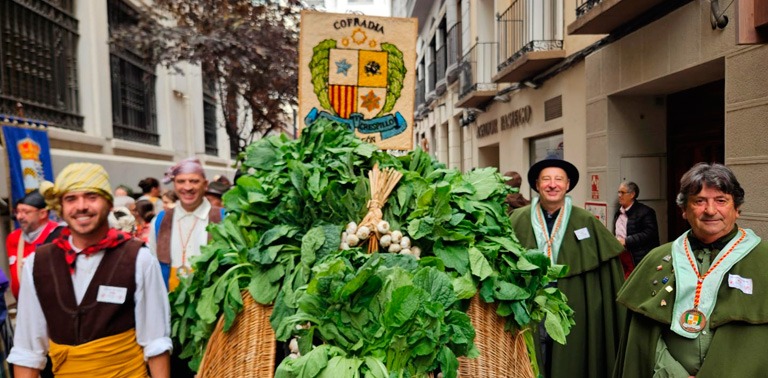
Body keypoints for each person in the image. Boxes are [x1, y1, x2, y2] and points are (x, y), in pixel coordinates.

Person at [7, 162, 171, 377]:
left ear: (108, 203)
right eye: (71, 199)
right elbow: (27, 350)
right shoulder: (37, 263)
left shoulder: (138, 258)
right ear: (61, 208)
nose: (81, 206)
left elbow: (156, 341)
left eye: (91, 197)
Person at [614, 163, 768, 377]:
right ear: (684, 210)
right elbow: (642, 335)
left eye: (721, 201)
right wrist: (670, 372)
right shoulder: (656, 259)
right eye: (699, 201)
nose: (711, 210)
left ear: (737, 209)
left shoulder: (764, 259)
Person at [508, 158, 626, 378]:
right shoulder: (517, 219)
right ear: (537, 184)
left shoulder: (586, 221)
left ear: (568, 184)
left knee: (572, 358)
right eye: (546, 179)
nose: (553, 185)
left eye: (558, 179)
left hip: (575, 306)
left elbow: (607, 272)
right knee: (533, 357)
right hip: (529, 307)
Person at [149, 157, 224, 292]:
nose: (187, 187)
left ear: (205, 184)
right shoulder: (160, 221)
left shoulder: (223, 218)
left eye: (194, 181)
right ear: (174, 184)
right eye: (181, 181)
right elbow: (152, 265)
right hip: (169, 303)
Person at [5, 190, 62, 299]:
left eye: (26, 212)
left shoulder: (59, 235)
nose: (19, 217)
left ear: (43, 213)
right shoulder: (13, 238)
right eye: (18, 212)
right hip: (22, 304)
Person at [613, 181, 660, 267]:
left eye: (622, 193)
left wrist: (626, 241)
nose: (619, 195)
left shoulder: (646, 212)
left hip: (638, 258)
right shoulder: (618, 213)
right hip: (621, 256)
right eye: (619, 192)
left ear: (632, 195)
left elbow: (650, 233)